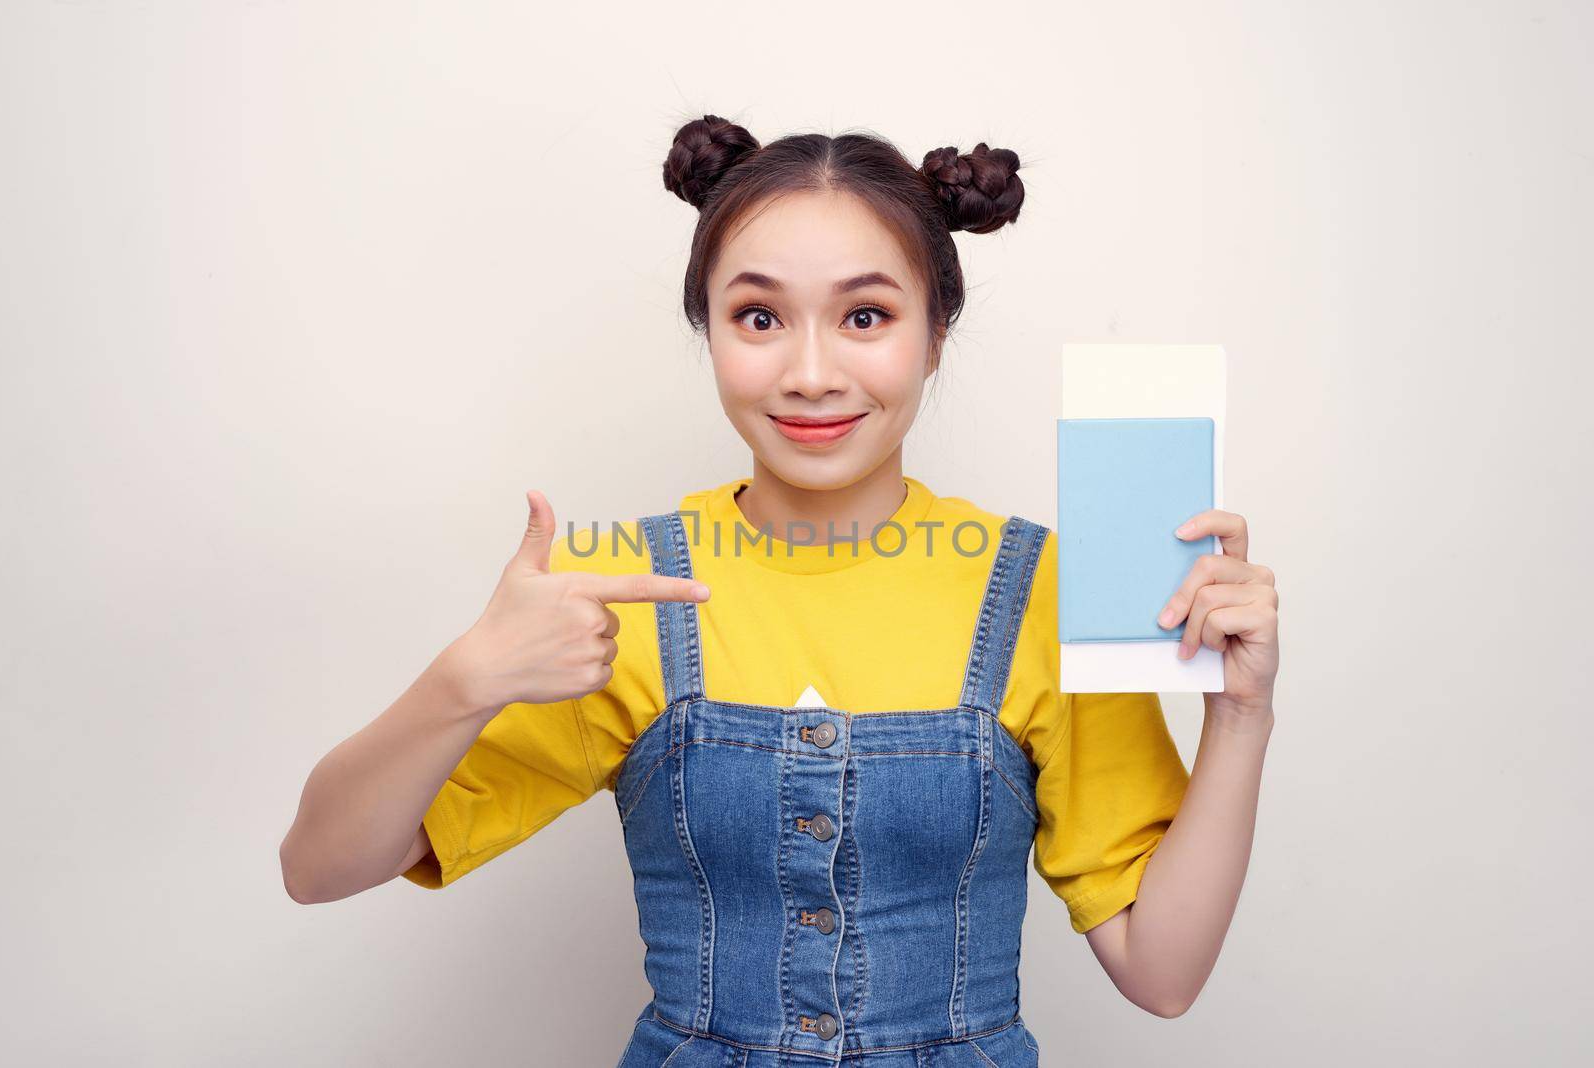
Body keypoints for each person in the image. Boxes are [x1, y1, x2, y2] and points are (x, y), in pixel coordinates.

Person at [279, 115, 1281, 1067]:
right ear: (706, 330)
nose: (809, 372)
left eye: (865, 316)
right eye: (758, 316)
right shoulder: (630, 594)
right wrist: (465, 679)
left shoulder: (1040, 588)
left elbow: (1162, 972)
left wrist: (1239, 717)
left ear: (935, 334)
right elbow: (319, 867)